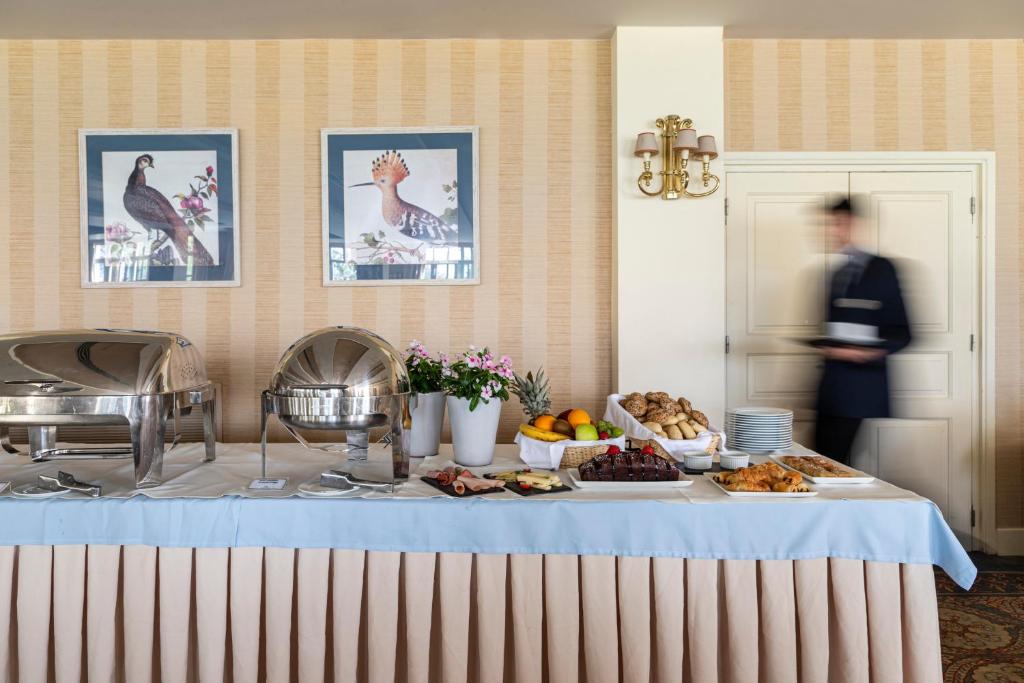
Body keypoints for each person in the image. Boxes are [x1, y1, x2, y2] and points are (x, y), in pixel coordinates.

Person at [814, 197, 912, 464]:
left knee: (832, 466)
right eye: (829, 224)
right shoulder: (837, 273)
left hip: (860, 389)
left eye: (838, 224)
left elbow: (904, 332)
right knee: (820, 460)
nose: (831, 231)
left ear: (856, 224)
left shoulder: (884, 269)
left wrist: (863, 353)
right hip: (831, 386)